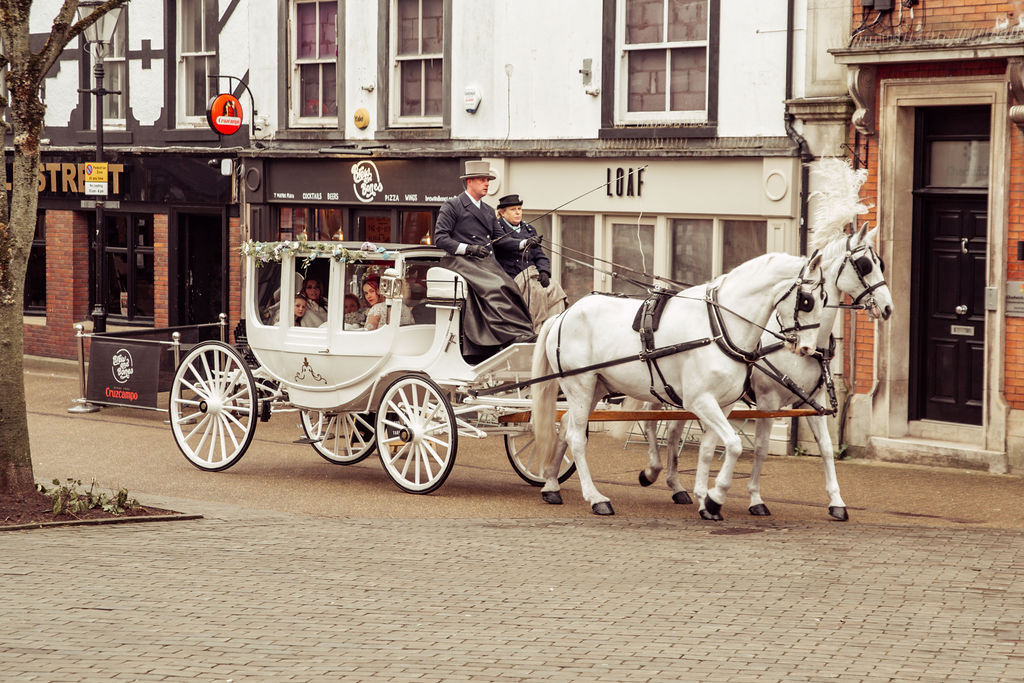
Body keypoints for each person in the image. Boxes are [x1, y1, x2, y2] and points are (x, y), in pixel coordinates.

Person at [431, 160, 536, 358]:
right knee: (496, 286)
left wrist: (524, 243)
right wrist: (469, 249)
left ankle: (520, 332)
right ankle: (506, 336)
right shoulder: (453, 206)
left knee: (510, 285)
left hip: (483, 262)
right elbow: (440, 238)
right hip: (460, 260)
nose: (487, 184)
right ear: (469, 182)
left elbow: (502, 240)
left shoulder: (488, 211)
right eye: (482, 180)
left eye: (488, 180)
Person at [493, 193, 568, 331]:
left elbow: (540, 255)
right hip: (512, 277)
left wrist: (544, 272)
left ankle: (553, 330)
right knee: (535, 291)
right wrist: (524, 242)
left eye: (519, 209)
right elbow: (503, 243)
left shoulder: (529, 229)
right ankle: (535, 330)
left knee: (554, 288)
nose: (517, 212)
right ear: (502, 213)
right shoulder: (497, 229)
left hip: (533, 274)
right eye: (513, 209)